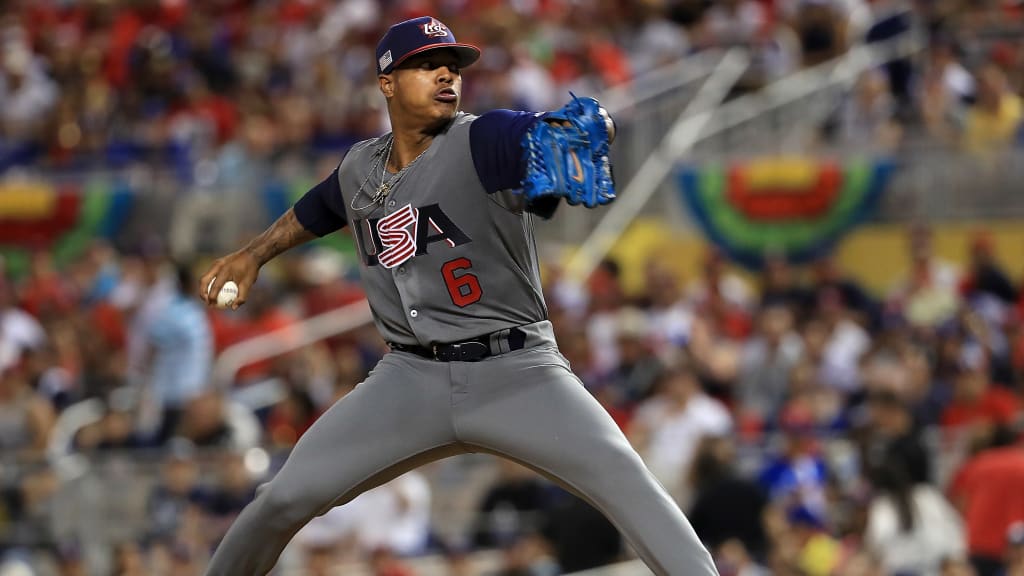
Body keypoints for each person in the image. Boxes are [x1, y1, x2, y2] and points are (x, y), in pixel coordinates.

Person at [198, 15, 717, 576]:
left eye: (453, 66)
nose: (446, 75)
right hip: (409, 378)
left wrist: (596, 126)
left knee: (628, 484)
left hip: (517, 371)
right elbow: (317, 209)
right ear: (387, 83)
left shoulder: (482, 140)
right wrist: (254, 254)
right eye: (426, 64)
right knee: (280, 500)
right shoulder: (360, 169)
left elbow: (548, 131)